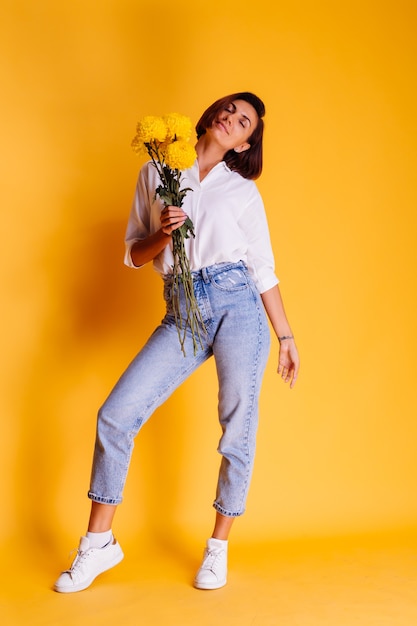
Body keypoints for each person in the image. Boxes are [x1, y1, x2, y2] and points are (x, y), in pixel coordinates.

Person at [54, 92, 300, 593]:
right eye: (229, 109)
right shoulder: (156, 174)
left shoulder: (242, 192)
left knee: (237, 425)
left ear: (246, 141)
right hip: (182, 308)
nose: (232, 119)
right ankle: (98, 545)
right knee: (116, 415)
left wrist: (285, 335)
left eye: (244, 121)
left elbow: (264, 270)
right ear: (211, 116)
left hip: (237, 304)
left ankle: (218, 549)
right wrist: (164, 235)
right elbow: (134, 253)